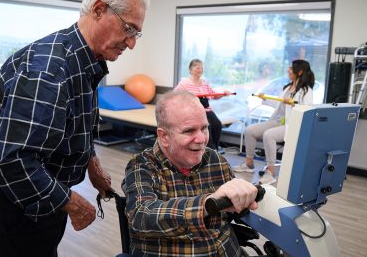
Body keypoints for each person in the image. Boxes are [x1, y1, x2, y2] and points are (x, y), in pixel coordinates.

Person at [0, 0, 150, 256]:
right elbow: (13, 162)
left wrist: (91, 163)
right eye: (129, 28)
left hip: (38, 204)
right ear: (99, 10)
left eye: (136, 33)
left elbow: (74, 123)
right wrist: (72, 202)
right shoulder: (48, 73)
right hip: (10, 209)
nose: (131, 43)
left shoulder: (85, 60)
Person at [122, 90, 258, 257]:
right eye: (189, 131)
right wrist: (208, 204)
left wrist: (247, 197)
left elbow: (235, 211)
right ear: (164, 136)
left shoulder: (215, 160)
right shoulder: (141, 166)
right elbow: (142, 216)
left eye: (204, 128)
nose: (201, 139)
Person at [233, 59, 315, 185]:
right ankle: (249, 164)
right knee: (250, 130)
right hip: (279, 121)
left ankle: (270, 172)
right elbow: (279, 105)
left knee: (269, 135)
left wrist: (293, 104)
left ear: (299, 72)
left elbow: (307, 110)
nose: (288, 70)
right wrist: (264, 98)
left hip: (292, 125)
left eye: (291, 68)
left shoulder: (306, 90)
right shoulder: (288, 87)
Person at [175, 59, 231, 150]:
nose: (200, 70)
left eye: (201, 68)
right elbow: (175, 96)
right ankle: (208, 152)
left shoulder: (204, 83)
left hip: (206, 109)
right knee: (206, 128)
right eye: (197, 67)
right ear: (191, 69)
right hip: (194, 111)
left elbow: (213, 95)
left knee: (217, 125)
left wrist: (223, 94)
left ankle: (215, 150)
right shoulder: (184, 83)